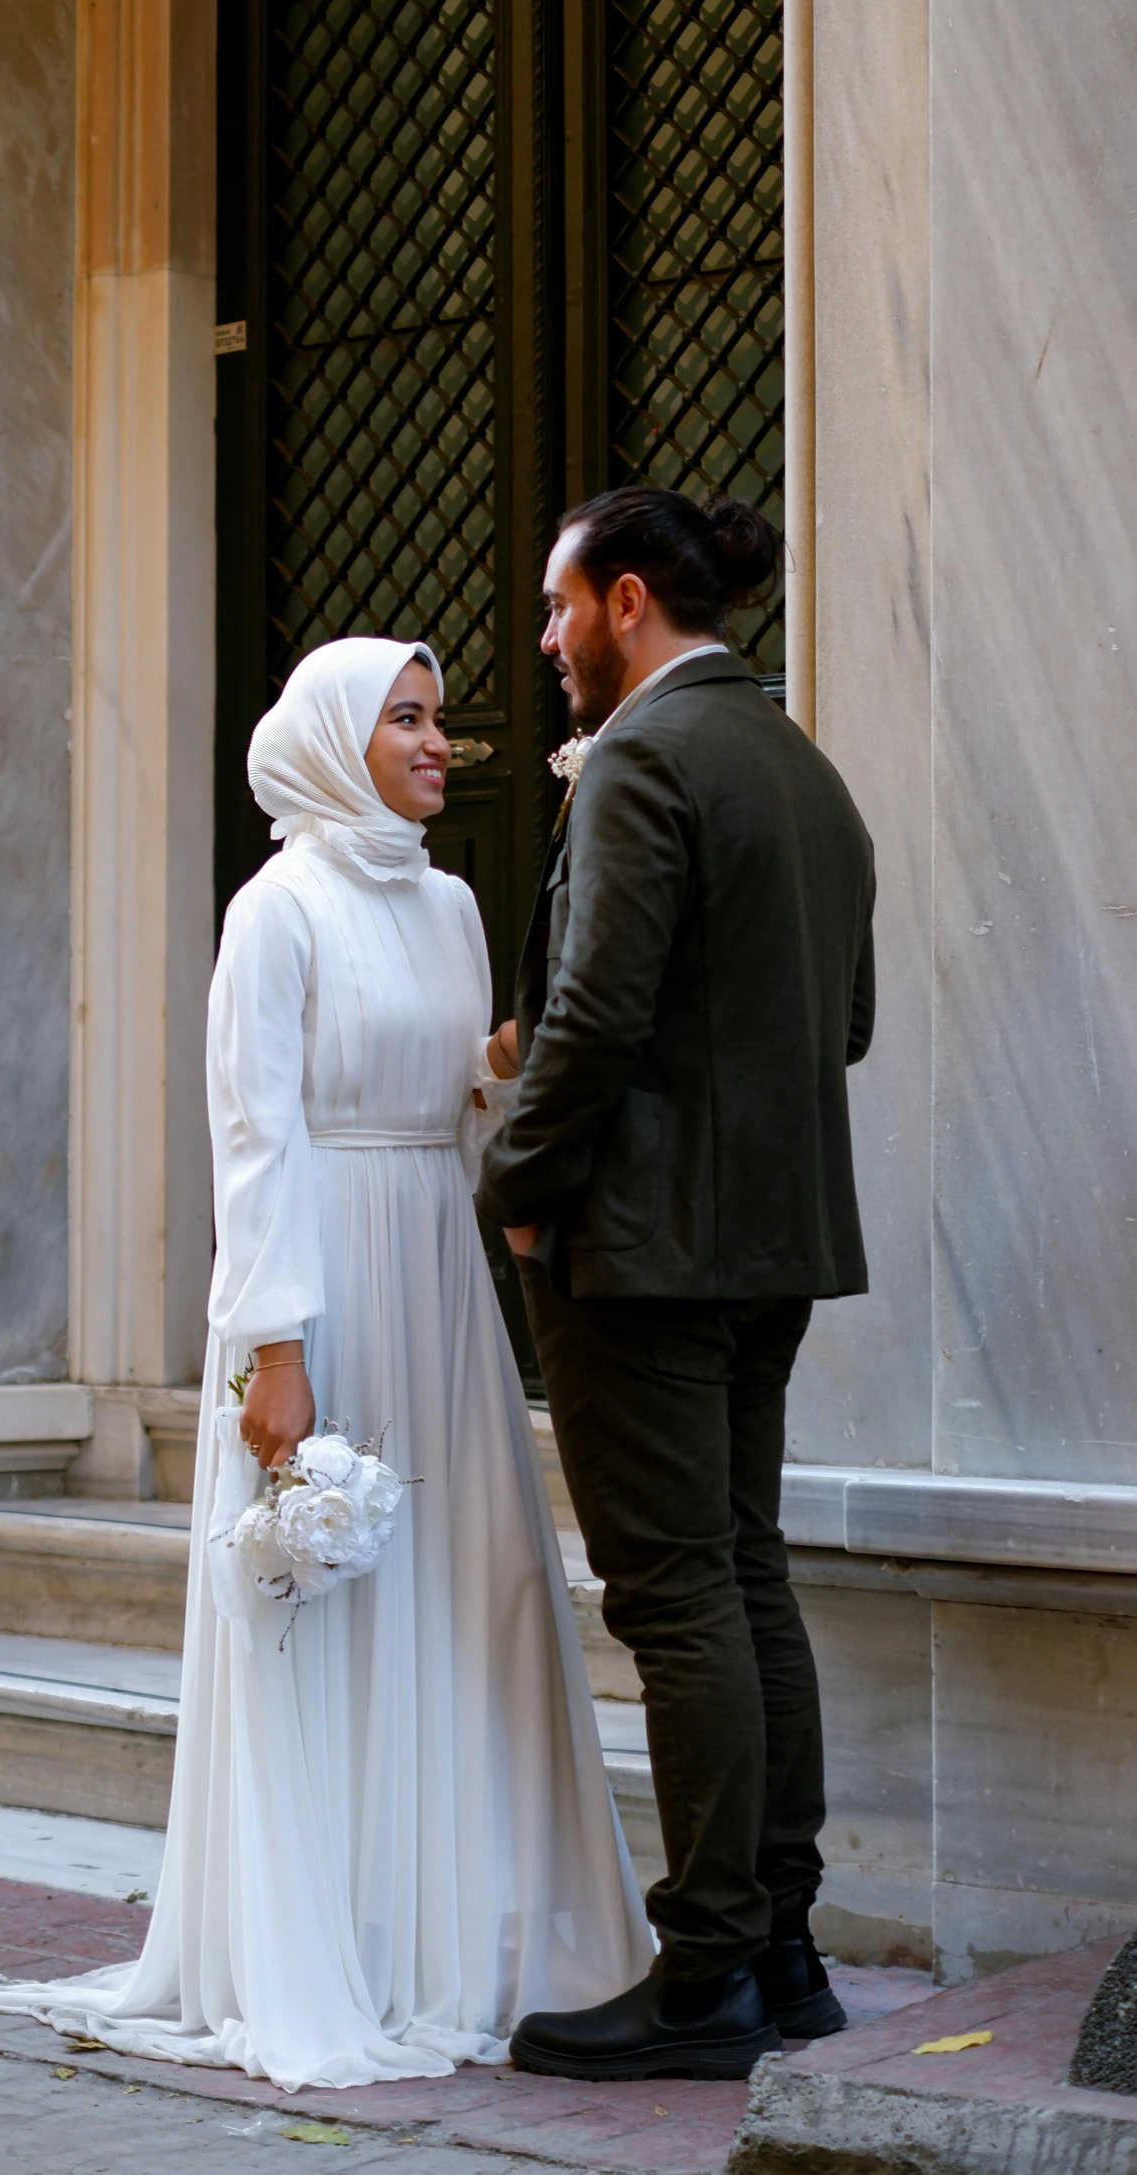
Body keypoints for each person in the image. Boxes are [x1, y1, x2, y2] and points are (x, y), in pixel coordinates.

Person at [0, 635, 651, 2092]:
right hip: (315, 1281)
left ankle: (451, 1936)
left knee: (464, 1592)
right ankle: (322, 1944)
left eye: (440, 719)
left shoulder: (452, 903)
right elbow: (251, 1135)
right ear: (334, 736)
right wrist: (275, 1351)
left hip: (436, 1285)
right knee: (322, 1609)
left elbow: (462, 1115)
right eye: (405, 718)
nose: (438, 742)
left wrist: (502, 1090)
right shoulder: (275, 909)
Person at [477, 487, 876, 2084]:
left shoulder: (645, 755)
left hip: (639, 1250)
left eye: (558, 607)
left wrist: (514, 1184)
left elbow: (600, 1018)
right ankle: (779, 1945)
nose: (547, 639)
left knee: (675, 1597)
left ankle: (705, 1967)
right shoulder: (804, 765)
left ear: (625, 599)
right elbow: (834, 1026)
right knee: (741, 1570)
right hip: (767, 1242)